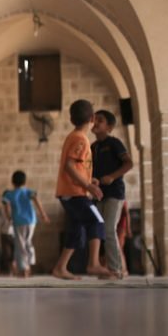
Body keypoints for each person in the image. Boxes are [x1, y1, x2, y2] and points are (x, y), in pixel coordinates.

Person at [53, 99, 110, 280]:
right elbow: (69, 166)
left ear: (71, 120)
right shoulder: (81, 139)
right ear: (92, 118)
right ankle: (93, 264)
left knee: (76, 231)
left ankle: (60, 268)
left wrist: (88, 179)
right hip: (75, 193)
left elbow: (76, 167)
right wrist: (87, 186)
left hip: (70, 191)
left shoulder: (74, 137)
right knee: (97, 221)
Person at [91, 109, 133, 278]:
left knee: (109, 229)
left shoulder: (114, 143)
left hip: (115, 194)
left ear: (109, 126)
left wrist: (112, 177)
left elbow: (129, 163)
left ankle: (116, 270)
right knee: (99, 231)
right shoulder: (92, 147)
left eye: (100, 120)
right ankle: (105, 267)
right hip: (98, 194)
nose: (95, 122)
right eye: (94, 119)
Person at [2, 170, 50, 278]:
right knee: (28, 242)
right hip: (31, 221)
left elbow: (6, 206)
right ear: (25, 181)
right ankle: (30, 264)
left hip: (18, 221)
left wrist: (9, 217)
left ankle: (24, 270)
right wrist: (43, 214)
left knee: (20, 245)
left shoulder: (9, 194)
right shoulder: (28, 191)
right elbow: (36, 199)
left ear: (12, 182)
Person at [0, 196, 14, 274]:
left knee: (14, 252)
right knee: (7, 253)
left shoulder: (14, 210)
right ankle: (10, 270)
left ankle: (15, 268)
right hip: (5, 233)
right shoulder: (1, 211)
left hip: (14, 233)